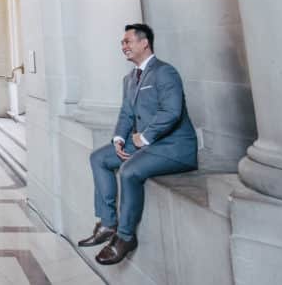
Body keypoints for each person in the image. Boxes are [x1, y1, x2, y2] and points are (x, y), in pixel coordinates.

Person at [78, 23, 197, 265]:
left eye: (128, 41)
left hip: (174, 146)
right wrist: (120, 139)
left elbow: (172, 111)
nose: (123, 46)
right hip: (144, 143)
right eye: (122, 43)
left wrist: (143, 138)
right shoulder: (129, 79)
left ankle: (125, 237)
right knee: (99, 158)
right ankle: (108, 223)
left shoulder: (165, 72)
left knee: (130, 171)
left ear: (145, 43)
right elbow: (126, 114)